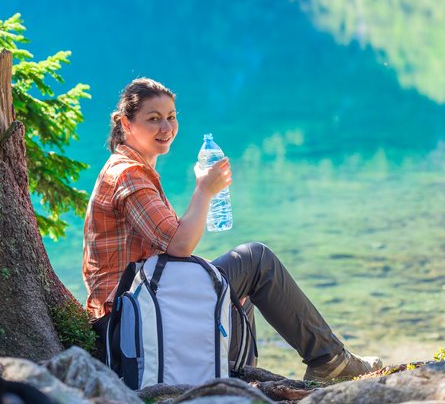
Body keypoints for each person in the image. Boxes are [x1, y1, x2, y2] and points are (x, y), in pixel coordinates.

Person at [82, 77, 381, 382]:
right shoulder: (128, 175)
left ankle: (235, 379)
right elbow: (179, 245)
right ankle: (330, 361)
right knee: (255, 260)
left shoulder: (132, 170)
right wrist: (203, 191)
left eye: (171, 117)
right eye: (153, 119)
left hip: (140, 311)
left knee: (235, 288)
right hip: (127, 321)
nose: (166, 128)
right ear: (126, 123)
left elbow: (170, 252)